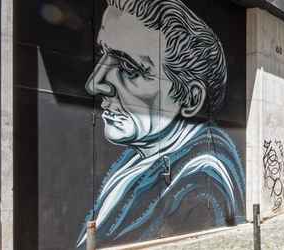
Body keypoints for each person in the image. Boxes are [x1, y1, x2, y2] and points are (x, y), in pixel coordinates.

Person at [77, 0, 244, 247]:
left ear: (191, 98)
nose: (94, 83)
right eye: (103, 53)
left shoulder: (201, 191)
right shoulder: (145, 157)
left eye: (129, 67)